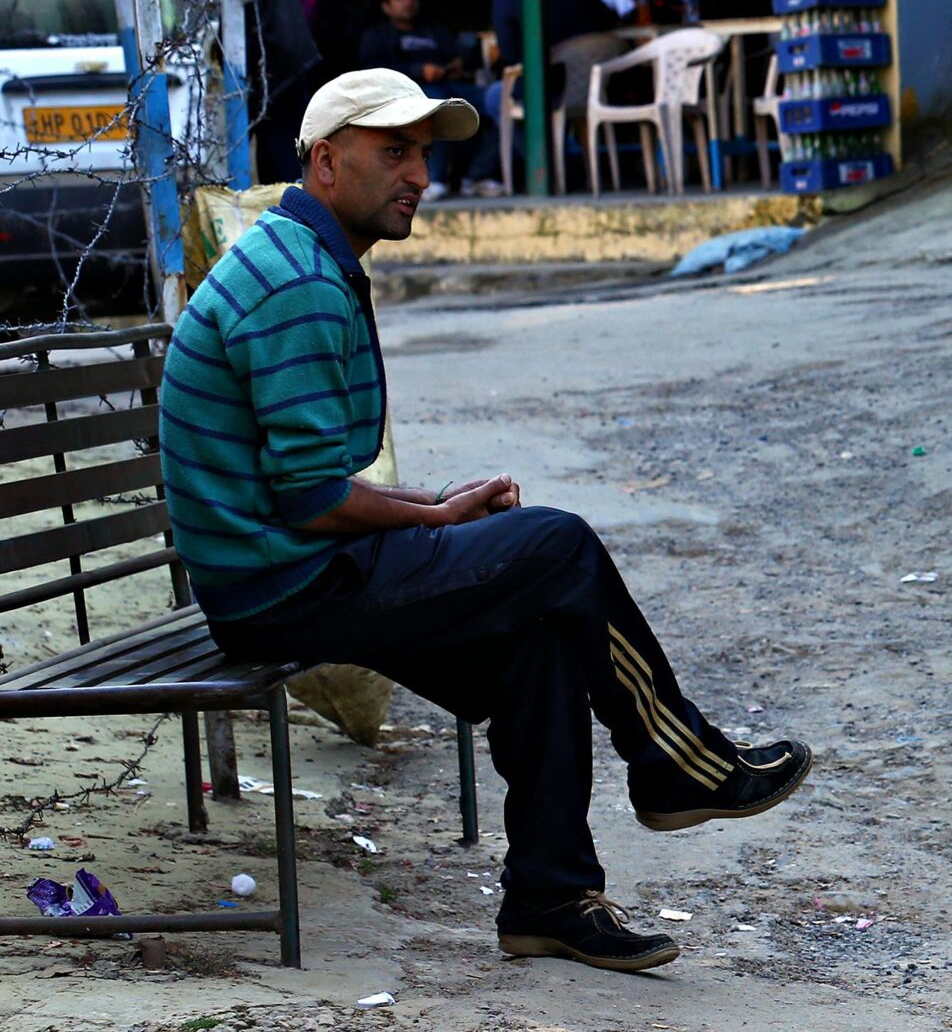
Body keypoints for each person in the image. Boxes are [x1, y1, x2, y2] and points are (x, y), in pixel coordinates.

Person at [157, 70, 811, 972]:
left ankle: (548, 898)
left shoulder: (302, 259)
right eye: (393, 151)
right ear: (323, 161)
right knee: (559, 545)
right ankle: (674, 759)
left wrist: (437, 508)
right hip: (281, 587)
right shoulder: (294, 283)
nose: (417, 173)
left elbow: (310, 487)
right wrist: (436, 514)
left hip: (282, 570)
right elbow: (310, 499)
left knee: (538, 629)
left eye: (423, 153)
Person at [354, 0, 485, 199]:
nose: (408, 2)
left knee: (495, 99)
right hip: (408, 93)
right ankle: (434, 179)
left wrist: (457, 64)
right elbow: (371, 71)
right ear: (386, 6)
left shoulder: (433, 30)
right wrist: (418, 70)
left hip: (448, 85)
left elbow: (458, 55)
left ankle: (479, 175)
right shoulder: (377, 35)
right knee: (438, 104)